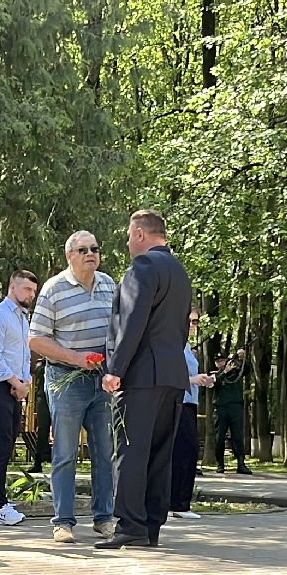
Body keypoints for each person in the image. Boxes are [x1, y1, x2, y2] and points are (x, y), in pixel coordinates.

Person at [97, 210, 192, 550]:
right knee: (159, 452)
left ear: (139, 233)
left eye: (128, 236)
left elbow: (132, 321)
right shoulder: (180, 272)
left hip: (141, 375)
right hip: (172, 374)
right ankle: (152, 525)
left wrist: (115, 368)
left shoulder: (143, 267)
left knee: (131, 449)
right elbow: (181, 329)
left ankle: (130, 524)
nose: (127, 243)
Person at [29, 231, 118, 543]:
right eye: (83, 250)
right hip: (65, 378)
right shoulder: (54, 290)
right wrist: (76, 358)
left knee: (104, 451)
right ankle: (63, 521)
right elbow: (36, 339)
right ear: (70, 256)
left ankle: (105, 517)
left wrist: (115, 366)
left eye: (94, 248)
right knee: (66, 451)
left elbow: (119, 329)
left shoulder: (109, 285)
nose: (90, 253)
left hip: (102, 380)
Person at [0, 270, 36, 525]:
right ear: (12, 287)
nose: (31, 295)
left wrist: (24, 384)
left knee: (8, 445)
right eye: (26, 289)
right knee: (0, 445)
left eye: (33, 291)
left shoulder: (24, 320)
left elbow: (24, 355)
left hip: (14, 388)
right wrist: (14, 381)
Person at [171, 311, 215, 518]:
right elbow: (169, 374)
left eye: (195, 322)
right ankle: (178, 504)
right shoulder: (173, 343)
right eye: (188, 321)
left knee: (187, 453)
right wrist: (192, 380)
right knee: (183, 452)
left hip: (190, 402)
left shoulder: (187, 346)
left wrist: (204, 380)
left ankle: (180, 503)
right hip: (178, 402)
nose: (192, 325)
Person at [210, 349, 250, 473]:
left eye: (222, 360)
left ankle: (241, 463)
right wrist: (224, 372)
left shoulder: (235, 372)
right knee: (220, 437)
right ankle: (220, 464)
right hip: (220, 408)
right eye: (218, 361)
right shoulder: (214, 374)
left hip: (235, 407)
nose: (220, 363)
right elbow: (214, 384)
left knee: (237, 435)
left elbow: (247, 370)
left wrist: (242, 358)